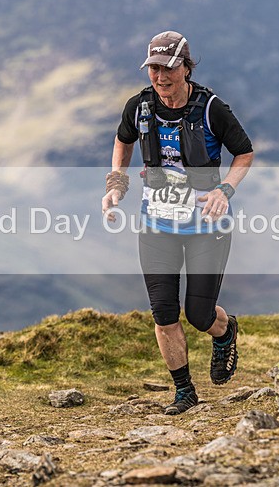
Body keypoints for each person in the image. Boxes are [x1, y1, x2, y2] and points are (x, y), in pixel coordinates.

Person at [101, 31, 254, 414]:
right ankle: (184, 390)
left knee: (199, 315)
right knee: (164, 312)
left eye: (168, 67)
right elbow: (123, 140)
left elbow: (244, 153)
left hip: (207, 227)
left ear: (186, 67)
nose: (160, 75)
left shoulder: (211, 108)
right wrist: (117, 184)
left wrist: (225, 192)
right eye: (153, 67)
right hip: (157, 225)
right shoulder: (139, 107)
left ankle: (224, 331)